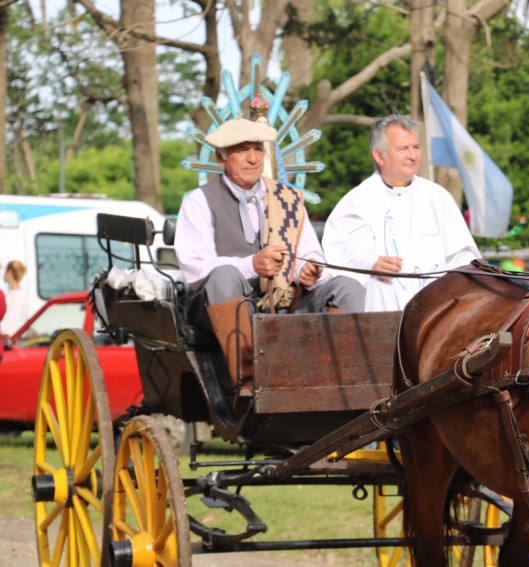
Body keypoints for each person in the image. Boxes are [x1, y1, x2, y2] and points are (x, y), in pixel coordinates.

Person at [175, 118, 365, 397]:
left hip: (284, 300)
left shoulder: (286, 198)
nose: (253, 158)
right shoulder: (199, 201)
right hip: (216, 308)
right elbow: (195, 269)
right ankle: (249, 382)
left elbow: (310, 252)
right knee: (225, 275)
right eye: (241, 150)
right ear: (221, 157)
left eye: (258, 149)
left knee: (348, 288)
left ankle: (339, 379)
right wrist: (250, 265)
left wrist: (307, 271)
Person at [322, 114, 481, 312]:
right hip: (382, 308)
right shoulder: (357, 201)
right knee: (382, 288)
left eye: (416, 147)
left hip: (437, 307)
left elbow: (462, 256)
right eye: (403, 149)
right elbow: (339, 257)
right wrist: (371, 264)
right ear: (379, 156)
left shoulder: (438, 197)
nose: (413, 156)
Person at [1, 260, 27, 337]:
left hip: (6, 338)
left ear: (9, 273)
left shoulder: (12, 296)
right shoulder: (22, 295)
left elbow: (10, 322)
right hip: (15, 337)